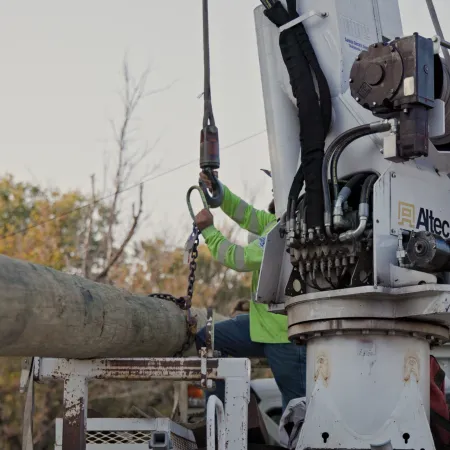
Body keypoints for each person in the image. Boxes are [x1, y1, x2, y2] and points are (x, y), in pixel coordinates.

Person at [195, 170, 306, 412]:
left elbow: (240, 259)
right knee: (209, 339)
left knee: (299, 409)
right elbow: (246, 214)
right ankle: (225, 420)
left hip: (283, 336)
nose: (274, 192)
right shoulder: (275, 223)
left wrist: (209, 232)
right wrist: (219, 192)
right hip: (262, 328)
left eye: (277, 188)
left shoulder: (289, 230)